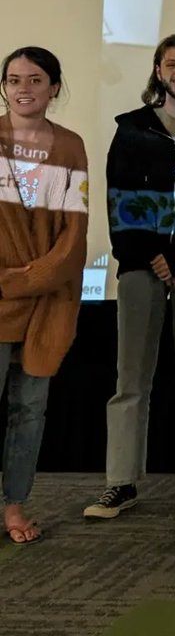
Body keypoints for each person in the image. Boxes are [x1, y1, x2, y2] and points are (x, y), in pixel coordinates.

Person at [84, 35, 175, 522]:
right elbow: (119, 203)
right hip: (141, 267)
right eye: (171, 63)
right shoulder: (132, 128)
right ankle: (121, 482)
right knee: (130, 379)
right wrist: (156, 257)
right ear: (158, 72)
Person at [0, 47, 88, 544]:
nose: (23, 88)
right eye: (13, 80)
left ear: (54, 87)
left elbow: (73, 235)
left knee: (29, 409)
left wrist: (25, 280)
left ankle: (15, 506)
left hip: (49, 298)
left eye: (35, 79)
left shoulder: (70, 146)